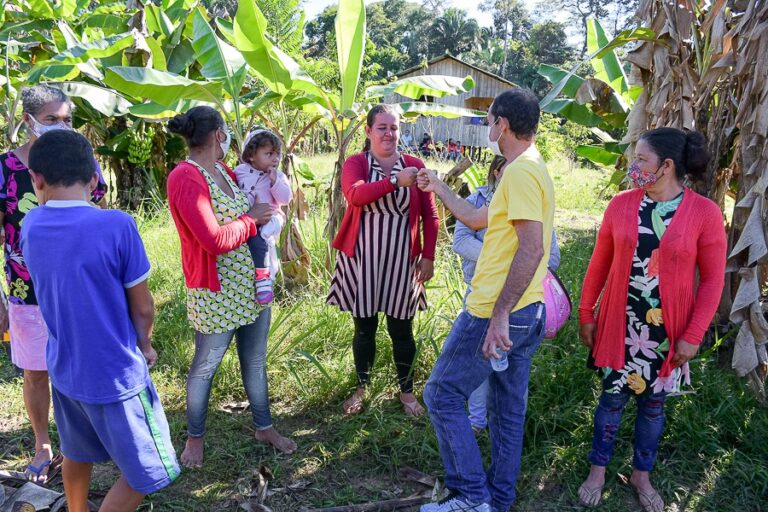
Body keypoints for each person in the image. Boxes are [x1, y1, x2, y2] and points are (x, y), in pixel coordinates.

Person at [22, 130, 179, 511]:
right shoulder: (117, 225)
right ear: (95, 179)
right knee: (152, 470)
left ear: (36, 179)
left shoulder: (31, 225)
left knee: (76, 450)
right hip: (116, 374)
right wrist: (145, 344)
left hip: (64, 368)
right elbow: (143, 308)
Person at [417, 88, 554, 512]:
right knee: (505, 409)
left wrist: (499, 314)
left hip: (496, 310)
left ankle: (471, 495)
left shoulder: (520, 173)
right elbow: (478, 218)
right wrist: (438, 186)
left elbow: (532, 248)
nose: (488, 127)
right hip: (527, 309)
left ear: (503, 124)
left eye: (489, 119)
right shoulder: (526, 167)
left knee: (441, 394)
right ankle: (497, 500)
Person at [576, 128, 726, 512]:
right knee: (611, 401)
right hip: (620, 325)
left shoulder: (704, 213)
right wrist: (586, 313)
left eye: (641, 159)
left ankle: (641, 476)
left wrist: (693, 334)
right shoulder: (621, 205)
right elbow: (599, 263)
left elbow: (712, 280)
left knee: (653, 407)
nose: (634, 166)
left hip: (665, 332)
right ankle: (597, 471)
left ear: (666, 166)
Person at [166, 106, 296, 467]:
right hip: (216, 292)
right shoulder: (185, 177)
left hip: (253, 287)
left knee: (254, 361)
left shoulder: (223, 170)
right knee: (205, 366)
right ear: (219, 135)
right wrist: (252, 219)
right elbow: (212, 240)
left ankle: (264, 426)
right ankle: (195, 437)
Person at [0, 84, 107, 483]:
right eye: (52, 119)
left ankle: (76, 443)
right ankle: (43, 443)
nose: (62, 126)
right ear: (29, 121)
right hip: (27, 291)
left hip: (80, 286)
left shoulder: (83, 159)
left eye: (67, 119)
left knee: (78, 364)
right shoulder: (5, 169)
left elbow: (100, 214)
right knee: (36, 371)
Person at [327, 104, 439, 417]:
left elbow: (430, 215)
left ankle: (407, 392)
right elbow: (355, 196)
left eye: (394, 128)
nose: (389, 134)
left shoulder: (414, 165)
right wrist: (393, 182)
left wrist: (428, 256)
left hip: (403, 261)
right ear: (368, 131)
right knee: (364, 329)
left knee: (402, 329)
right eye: (382, 128)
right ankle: (362, 388)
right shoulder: (357, 163)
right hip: (363, 259)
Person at [453, 155, 561, 434]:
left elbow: (550, 255)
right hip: (482, 294)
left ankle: (506, 428)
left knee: (513, 370)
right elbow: (461, 240)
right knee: (479, 365)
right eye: (507, 171)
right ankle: (477, 422)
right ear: (496, 173)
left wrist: (517, 263)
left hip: (521, 300)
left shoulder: (533, 198)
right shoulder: (477, 201)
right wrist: (502, 260)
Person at [233, 129, 292, 304]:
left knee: (263, 237)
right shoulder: (240, 172)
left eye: (277, 154)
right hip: (251, 219)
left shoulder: (278, 176)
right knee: (256, 241)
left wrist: (275, 181)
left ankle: (264, 279)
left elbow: (285, 199)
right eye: (269, 154)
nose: (275, 159)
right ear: (251, 155)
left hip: (271, 217)